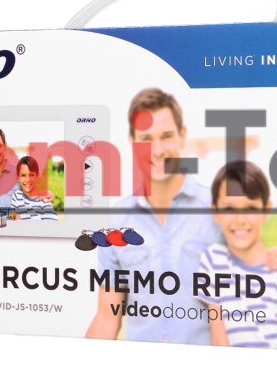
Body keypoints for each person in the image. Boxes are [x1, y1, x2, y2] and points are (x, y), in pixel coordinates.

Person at [86, 88, 221, 345]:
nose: (157, 150)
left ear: (182, 136)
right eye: (146, 139)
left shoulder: (216, 212)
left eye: (166, 136)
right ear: (132, 142)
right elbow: (106, 317)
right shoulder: (117, 223)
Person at [198, 161, 277, 350]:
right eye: (229, 209)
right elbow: (219, 342)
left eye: (251, 208)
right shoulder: (213, 260)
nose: (240, 220)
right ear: (216, 212)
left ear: (266, 210)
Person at [5, 156, 58, 220]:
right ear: (18, 177)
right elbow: (11, 218)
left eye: (31, 175)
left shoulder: (44, 200)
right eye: (23, 175)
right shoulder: (16, 195)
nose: (28, 180)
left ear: (37, 176)